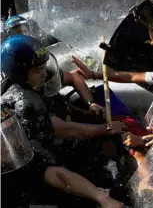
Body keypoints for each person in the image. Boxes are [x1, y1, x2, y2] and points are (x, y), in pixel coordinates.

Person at [1, 35, 125, 208]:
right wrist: (104, 129)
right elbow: (64, 130)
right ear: (20, 74)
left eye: (44, 67)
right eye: (38, 70)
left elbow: (74, 78)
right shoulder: (24, 102)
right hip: (46, 149)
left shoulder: (39, 75)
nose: (45, 74)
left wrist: (92, 104)